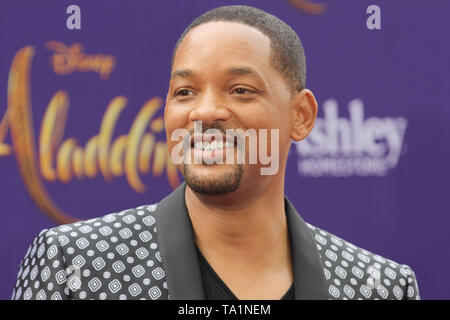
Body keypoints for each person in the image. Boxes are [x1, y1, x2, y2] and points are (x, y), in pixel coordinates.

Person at [12, 5, 419, 300]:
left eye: (240, 90)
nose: (205, 112)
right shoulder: (75, 267)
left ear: (301, 115)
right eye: (185, 92)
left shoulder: (377, 287)